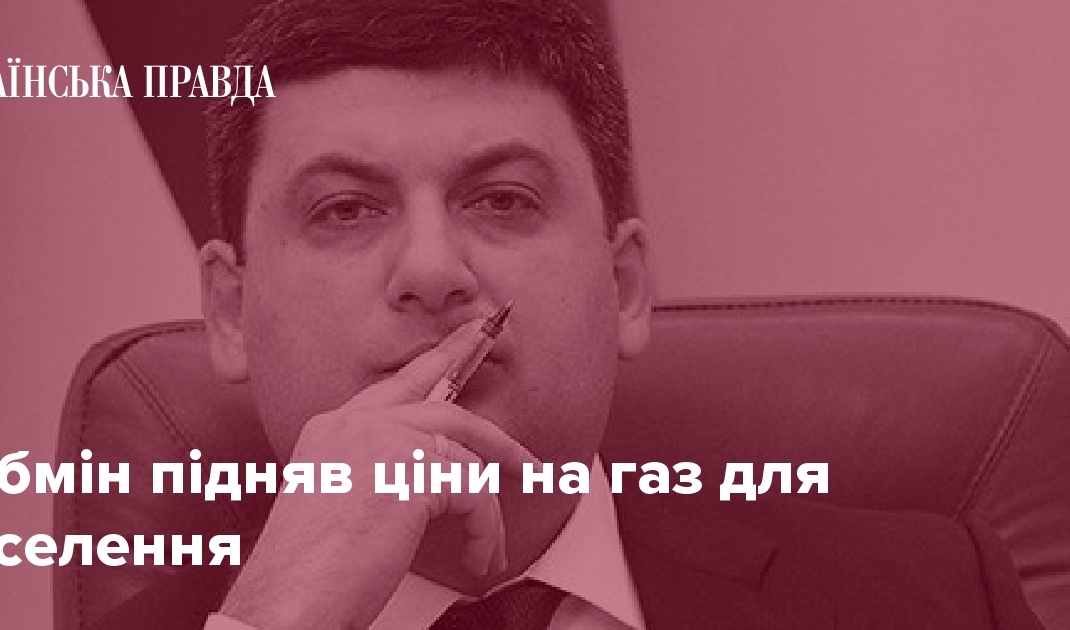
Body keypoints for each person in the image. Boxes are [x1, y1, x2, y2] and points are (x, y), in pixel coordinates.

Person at [79, 0, 1045, 628]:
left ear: (623, 286)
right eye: (345, 210)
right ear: (230, 312)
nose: (432, 270)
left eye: (502, 198)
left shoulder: (928, 597)